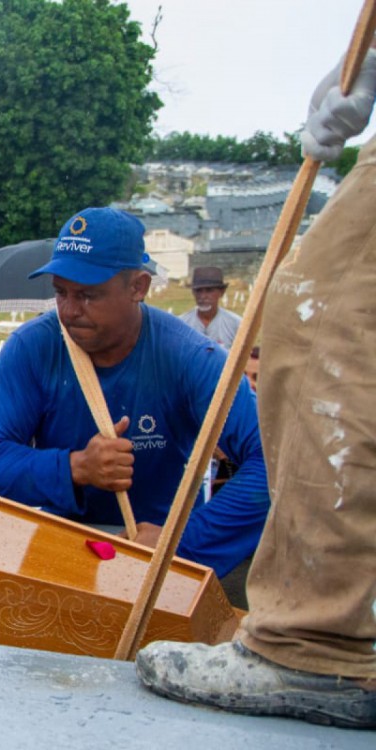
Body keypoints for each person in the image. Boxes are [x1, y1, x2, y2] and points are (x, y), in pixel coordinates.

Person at [136, 48, 376, 730]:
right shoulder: (41, 348)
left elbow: (258, 463)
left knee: (321, 308)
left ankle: (314, 642)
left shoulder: (185, 347)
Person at [0, 207, 270, 579]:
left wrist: (180, 542)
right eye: (60, 292)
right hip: (62, 553)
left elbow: (272, 461)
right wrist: (76, 467)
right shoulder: (31, 348)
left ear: (138, 287)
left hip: (159, 563)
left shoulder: (190, 356)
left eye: (88, 295)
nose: (70, 311)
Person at [178, 266, 241, 347]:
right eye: (198, 291)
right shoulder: (181, 324)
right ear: (193, 293)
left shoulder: (236, 324)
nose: (203, 296)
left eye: (209, 290)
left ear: (222, 292)